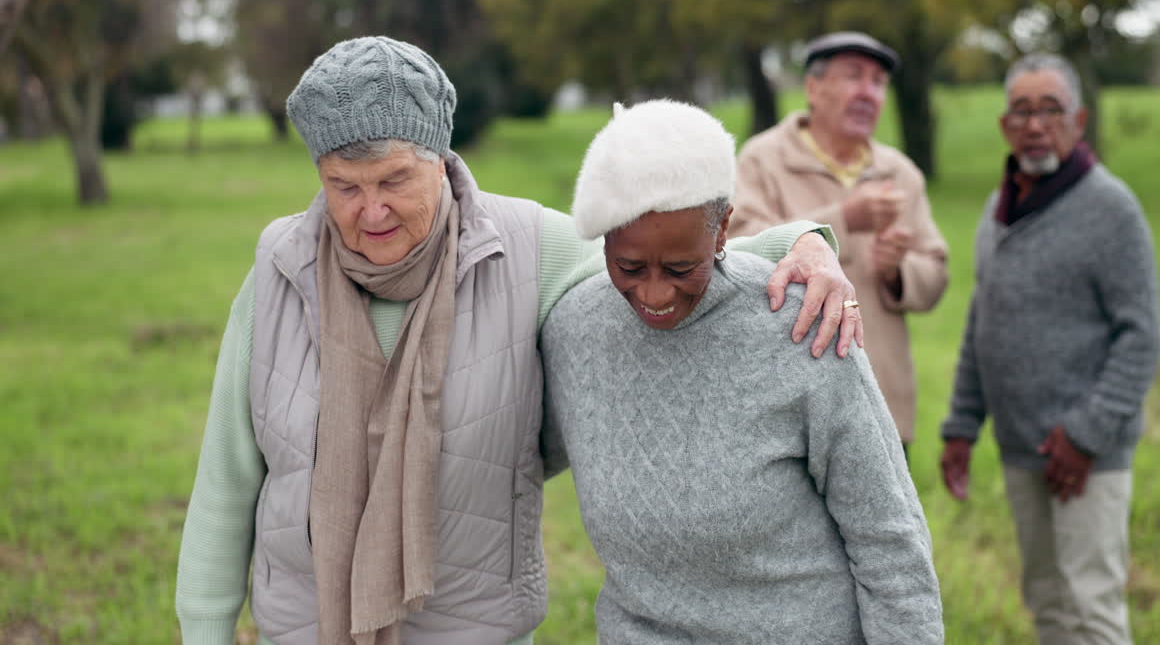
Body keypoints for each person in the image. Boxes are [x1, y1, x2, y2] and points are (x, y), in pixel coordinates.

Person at [172, 37, 868, 645]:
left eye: (394, 180)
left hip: (475, 631)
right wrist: (204, 631)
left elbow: (661, 261)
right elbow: (227, 479)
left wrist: (799, 242)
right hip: (303, 630)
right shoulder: (281, 265)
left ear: (441, 163)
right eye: (342, 187)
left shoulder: (529, 249)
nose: (370, 210)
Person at [540, 99, 943, 644]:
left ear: (723, 228)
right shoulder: (572, 329)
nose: (655, 293)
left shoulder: (802, 324)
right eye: (629, 267)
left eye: (682, 267)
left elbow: (889, 537)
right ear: (602, 237)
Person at [939, 53, 1160, 645]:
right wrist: (962, 424)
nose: (1035, 124)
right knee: (1047, 603)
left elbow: (1141, 335)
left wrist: (1086, 435)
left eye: (1051, 110)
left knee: (1091, 607)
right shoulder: (997, 209)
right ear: (1005, 126)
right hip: (1020, 447)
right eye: (1021, 111)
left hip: (1087, 455)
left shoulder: (1111, 208)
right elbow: (983, 320)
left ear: (1078, 120)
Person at [730, 31, 948, 459]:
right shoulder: (762, 160)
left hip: (881, 402)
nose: (869, 93)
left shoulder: (900, 172)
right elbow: (737, 250)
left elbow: (937, 274)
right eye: (854, 77)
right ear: (813, 87)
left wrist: (898, 272)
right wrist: (844, 221)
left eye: (878, 82)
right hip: (787, 408)